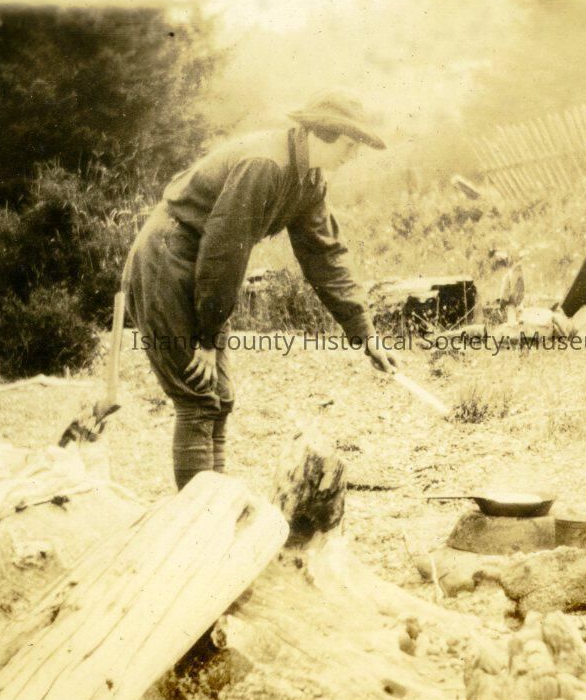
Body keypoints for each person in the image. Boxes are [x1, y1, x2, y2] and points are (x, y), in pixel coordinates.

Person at [124, 90, 397, 489]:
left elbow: (325, 256)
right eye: (350, 145)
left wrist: (365, 332)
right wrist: (207, 338)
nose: (353, 155)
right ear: (323, 133)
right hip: (169, 258)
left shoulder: (310, 179)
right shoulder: (264, 165)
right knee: (198, 397)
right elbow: (223, 252)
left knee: (220, 399)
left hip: (202, 265)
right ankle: (197, 519)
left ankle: (213, 507)